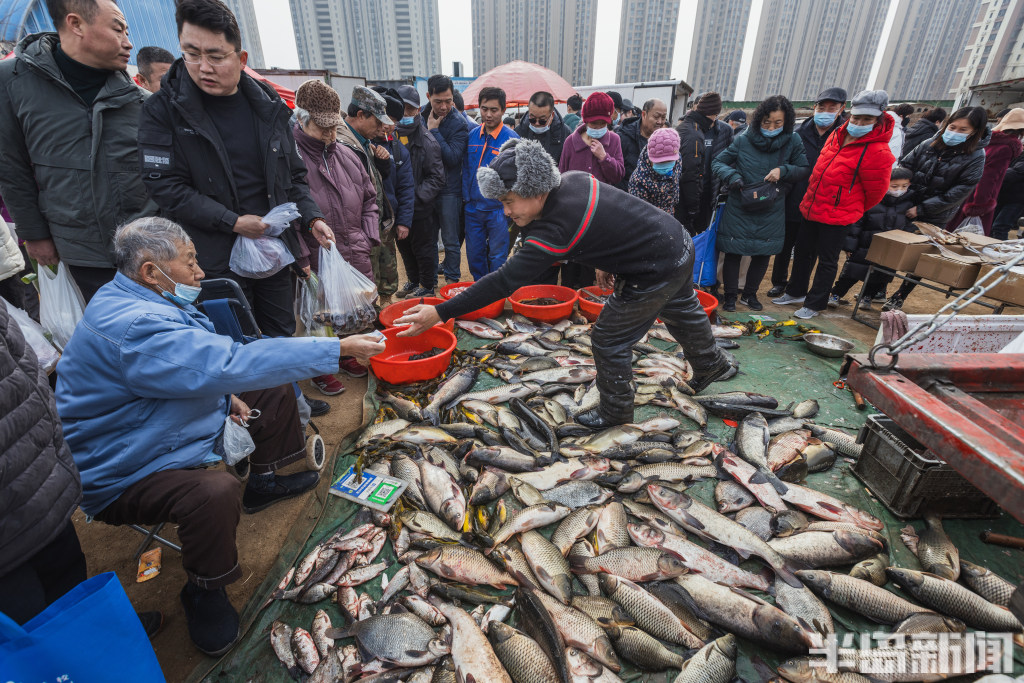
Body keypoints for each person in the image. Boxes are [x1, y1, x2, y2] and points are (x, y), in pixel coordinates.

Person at [55, 218, 384, 656]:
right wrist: (339, 348)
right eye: (189, 261)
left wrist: (225, 392)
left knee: (269, 384)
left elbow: (190, 366)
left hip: (161, 425)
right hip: (128, 466)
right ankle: (204, 590)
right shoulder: (134, 323)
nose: (200, 272)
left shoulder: (138, 296)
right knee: (213, 491)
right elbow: (223, 361)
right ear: (152, 271)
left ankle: (265, 481)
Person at [395, 139, 731, 428]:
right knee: (682, 307)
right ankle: (711, 363)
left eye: (510, 201)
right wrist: (605, 260)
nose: (506, 211)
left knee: (608, 337)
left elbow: (505, 281)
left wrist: (441, 312)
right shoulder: (572, 179)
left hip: (655, 265)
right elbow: (604, 222)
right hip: (675, 241)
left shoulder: (553, 227)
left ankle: (616, 412)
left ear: (535, 190)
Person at [139, 0, 330, 339]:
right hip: (210, 254)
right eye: (192, 53)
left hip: (271, 246)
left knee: (280, 329)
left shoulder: (268, 107)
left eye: (216, 56)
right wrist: (233, 222)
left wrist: (312, 218)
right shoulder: (162, 111)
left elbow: (294, 176)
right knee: (232, 336)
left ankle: (284, 394)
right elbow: (165, 185)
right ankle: (251, 395)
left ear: (240, 59)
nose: (203, 67)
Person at [0, 0, 154, 303]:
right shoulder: (13, 81)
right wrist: (35, 233)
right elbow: (10, 165)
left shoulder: (143, 101)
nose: (128, 42)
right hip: (78, 248)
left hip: (146, 247)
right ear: (76, 24)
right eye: (118, 29)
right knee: (107, 332)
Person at [773, 90, 895, 319]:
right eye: (857, 118)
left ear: (878, 119)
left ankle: (815, 303)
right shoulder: (837, 134)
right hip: (812, 206)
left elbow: (876, 192)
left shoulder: (878, 151)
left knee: (827, 260)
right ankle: (795, 291)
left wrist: (849, 204)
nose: (859, 123)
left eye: (866, 120)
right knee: (801, 252)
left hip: (839, 213)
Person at [291, 80, 379, 396]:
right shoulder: (289, 158)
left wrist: (367, 237)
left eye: (333, 127)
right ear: (301, 119)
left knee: (351, 308)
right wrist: (302, 257)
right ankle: (320, 367)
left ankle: (348, 354)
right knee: (319, 315)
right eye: (321, 128)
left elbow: (370, 199)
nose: (330, 135)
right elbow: (287, 214)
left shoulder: (348, 155)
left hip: (353, 246)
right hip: (314, 254)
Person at [884, 106, 989, 311]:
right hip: (905, 204)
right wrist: (903, 192)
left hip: (935, 214)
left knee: (920, 257)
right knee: (892, 249)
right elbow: (906, 165)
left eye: (963, 130)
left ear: (975, 132)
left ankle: (900, 294)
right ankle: (879, 287)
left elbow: (960, 191)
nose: (955, 132)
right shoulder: (928, 144)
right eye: (953, 126)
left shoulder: (976, 156)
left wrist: (922, 208)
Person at [712, 96, 808, 312]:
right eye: (766, 122)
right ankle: (729, 296)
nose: (771, 127)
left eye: (777, 123)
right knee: (733, 250)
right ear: (758, 120)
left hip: (771, 205)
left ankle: (750, 294)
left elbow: (803, 169)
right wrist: (733, 177)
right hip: (741, 201)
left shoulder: (793, 140)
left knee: (763, 252)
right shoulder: (743, 139)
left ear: (787, 122)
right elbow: (718, 162)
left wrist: (783, 171)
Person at [769, 87, 848, 296]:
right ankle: (779, 281)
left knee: (809, 249)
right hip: (794, 196)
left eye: (832, 108)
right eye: (822, 107)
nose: (826, 111)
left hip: (822, 202)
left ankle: (798, 285)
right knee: (784, 244)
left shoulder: (844, 136)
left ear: (841, 109)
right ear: (815, 107)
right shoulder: (799, 133)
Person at [558, 92, 625, 289]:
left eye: (601, 124)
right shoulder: (571, 141)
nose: (596, 129)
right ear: (585, 120)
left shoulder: (614, 141)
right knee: (570, 263)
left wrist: (604, 158)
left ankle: (586, 298)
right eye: (592, 124)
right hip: (574, 212)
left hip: (600, 212)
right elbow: (562, 175)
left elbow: (618, 175)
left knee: (591, 262)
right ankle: (570, 298)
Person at [830, 167, 915, 308]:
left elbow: (909, 226)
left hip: (889, 250)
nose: (899, 189)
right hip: (865, 245)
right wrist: (850, 245)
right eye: (894, 186)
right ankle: (836, 294)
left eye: (904, 186)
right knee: (852, 272)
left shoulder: (908, 205)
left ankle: (867, 297)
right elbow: (857, 223)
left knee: (881, 276)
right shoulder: (872, 199)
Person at [393, 85, 446, 298]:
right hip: (399, 207)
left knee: (423, 249)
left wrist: (413, 198)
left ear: (418, 110)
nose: (405, 114)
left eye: (410, 109)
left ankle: (426, 285)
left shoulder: (427, 141)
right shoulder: (392, 135)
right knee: (404, 248)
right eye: (402, 109)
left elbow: (437, 178)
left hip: (420, 208)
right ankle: (413, 281)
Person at [463, 86, 519, 279]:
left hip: (498, 210)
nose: (488, 114)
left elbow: (516, 179)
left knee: (497, 256)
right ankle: (480, 292)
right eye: (484, 108)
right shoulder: (471, 137)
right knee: (474, 255)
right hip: (473, 208)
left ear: (503, 110)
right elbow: (466, 170)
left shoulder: (512, 140)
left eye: (494, 110)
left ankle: (494, 296)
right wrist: (466, 199)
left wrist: (510, 208)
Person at [946, 108, 1024, 236]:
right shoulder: (1006, 148)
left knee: (951, 232)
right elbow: (989, 178)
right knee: (970, 238)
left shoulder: (989, 141)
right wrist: (980, 205)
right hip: (978, 197)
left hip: (965, 191)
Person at [424, 75, 470, 284]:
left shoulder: (459, 124)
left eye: (448, 101)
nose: (444, 106)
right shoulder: (421, 115)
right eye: (438, 101)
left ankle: (452, 278)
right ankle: (430, 279)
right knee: (429, 239)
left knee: (451, 240)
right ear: (428, 96)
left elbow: (452, 157)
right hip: (426, 187)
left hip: (450, 190)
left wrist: (433, 131)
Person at [370, 93, 413, 304]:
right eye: (386, 120)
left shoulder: (398, 150)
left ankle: (386, 301)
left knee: (387, 262)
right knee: (367, 265)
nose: (389, 126)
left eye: (394, 122)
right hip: (364, 221)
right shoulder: (360, 144)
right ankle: (369, 307)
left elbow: (406, 187)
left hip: (387, 219)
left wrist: (404, 221)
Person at [675, 91, 732, 235]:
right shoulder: (694, 134)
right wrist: (693, 209)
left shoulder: (688, 127)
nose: (714, 120)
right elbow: (690, 174)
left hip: (701, 195)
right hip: (687, 199)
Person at [617, 98, 668, 191]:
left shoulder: (664, 141)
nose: (660, 121)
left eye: (663, 117)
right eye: (656, 117)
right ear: (644, 114)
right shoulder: (623, 137)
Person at [628, 127, 682, 214]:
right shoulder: (638, 180)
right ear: (650, 158)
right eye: (661, 162)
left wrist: (673, 205)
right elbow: (637, 213)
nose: (665, 166)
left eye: (669, 162)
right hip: (651, 222)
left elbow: (676, 181)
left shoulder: (677, 159)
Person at [515, 90, 572, 163]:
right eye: (532, 119)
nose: (537, 123)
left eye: (542, 120)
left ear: (552, 116)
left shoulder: (565, 134)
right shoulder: (519, 132)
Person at [994, 140, 1024, 240]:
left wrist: (995, 174)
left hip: (1017, 200)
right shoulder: (1018, 154)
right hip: (1004, 195)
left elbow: (1014, 172)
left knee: (1000, 226)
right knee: (994, 225)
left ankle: (999, 253)